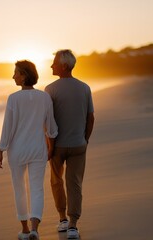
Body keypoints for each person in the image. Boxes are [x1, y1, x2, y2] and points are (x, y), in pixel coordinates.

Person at [0, 60, 58, 240]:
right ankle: (34, 229)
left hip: (17, 150)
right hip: (38, 148)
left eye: (16, 72)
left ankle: (24, 230)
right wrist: (51, 147)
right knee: (37, 188)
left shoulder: (13, 99)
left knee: (19, 188)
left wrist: (1, 149)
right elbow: (51, 127)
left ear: (24, 75)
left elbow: (8, 127)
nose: (13, 76)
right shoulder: (44, 97)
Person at [45, 50, 95, 239]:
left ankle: (62, 219)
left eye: (54, 63)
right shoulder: (85, 87)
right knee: (75, 184)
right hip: (78, 145)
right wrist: (85, 139)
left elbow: (48, 122)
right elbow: (91, 118)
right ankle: (73, 225)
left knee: (56, 181)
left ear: (64, 66)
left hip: (57, 146)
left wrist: (49, 146)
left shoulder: (50, 89)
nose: (51, 66)